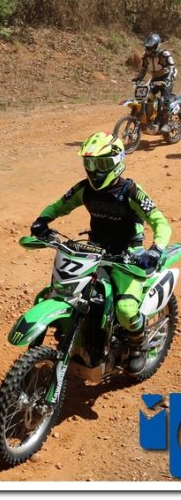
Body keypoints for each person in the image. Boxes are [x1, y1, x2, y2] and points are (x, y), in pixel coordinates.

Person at [30, 132, 172, 375]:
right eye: (90, 163)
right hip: (94, 251)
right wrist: (42, 220)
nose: (95, 171)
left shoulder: (131, 191)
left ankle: (137, 345)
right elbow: (59, 205)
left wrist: (156, 249)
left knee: (126, 309)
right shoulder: (84, 189)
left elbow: (160, 222)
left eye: (102, 164)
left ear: (117, 162)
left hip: (128, 255)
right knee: (60, 293)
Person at [133, 33, 177, 133]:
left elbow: (172, 67)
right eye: (147, 46)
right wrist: (138, 78)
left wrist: (168, 79)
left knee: (164, 100)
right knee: (147, 96)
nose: (148, 49)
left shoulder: (164, 54)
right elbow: (144, 69)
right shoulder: (146, 56)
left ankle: (168, 123)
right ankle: (151, 119)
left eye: (150, 47)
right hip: (155, 79)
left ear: (156, 46)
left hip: (166, 78)